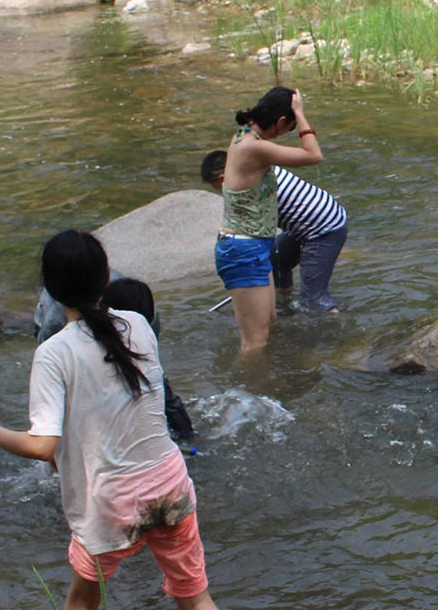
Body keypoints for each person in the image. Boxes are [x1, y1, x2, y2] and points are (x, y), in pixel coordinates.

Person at [0, 230, 236, 610]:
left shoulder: (53, 354)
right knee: (196, 598)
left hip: (112, 500)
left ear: (48, 288)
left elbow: (42, 445)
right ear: (106, 278)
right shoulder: (138, 326)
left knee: (82, 603)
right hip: (170, 482)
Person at [37, 271, 195, 450]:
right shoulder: (58, 327)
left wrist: (188, 441)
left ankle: (188, 437)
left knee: (158, 389)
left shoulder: (146, 323)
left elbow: (156, 384)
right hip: (65, 327)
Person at [215, 88, 322, 350]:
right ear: (281, 122)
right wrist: (300, 113)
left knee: (269, 324)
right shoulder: (254, 147)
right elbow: (313, 155)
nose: (286, 133)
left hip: (254, 246)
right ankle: (246, 389)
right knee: (254, 342)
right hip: (242, 249)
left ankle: (259, 386)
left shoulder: (246, 134)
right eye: (289, 128)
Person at [201, 149, 349, 314]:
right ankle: (284, 301)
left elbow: (259, 236)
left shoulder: (253, 189)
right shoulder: (255, 167)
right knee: (275, 262)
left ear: (223, 177)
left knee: (313, 299)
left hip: (324, 230)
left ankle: (335, 325)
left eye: (217, 187)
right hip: (305, 225)